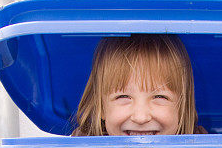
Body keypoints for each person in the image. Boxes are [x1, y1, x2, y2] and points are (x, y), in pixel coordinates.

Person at [72, 34, 206, 136]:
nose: (141, 117)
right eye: (123, 96)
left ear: (182, 107)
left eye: (159, 97)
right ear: (101, 107)